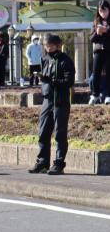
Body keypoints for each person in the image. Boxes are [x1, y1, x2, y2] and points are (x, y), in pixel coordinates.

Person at [28, 34, 75, 175]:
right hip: (47, 100)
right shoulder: (45, 59)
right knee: (43, 132)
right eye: (45, 45)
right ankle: (43, 162)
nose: (46, 47)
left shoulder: (65, 60)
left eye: (49, 45)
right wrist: (43, 79)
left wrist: (53, 81)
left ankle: (59, 163)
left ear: (57, 45)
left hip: (60, 101)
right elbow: (46, 79)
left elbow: (69, 81)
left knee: (60, 134)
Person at [89, 0, 110, 105]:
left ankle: (108, 95)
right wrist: (98, 33)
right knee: (96, 73)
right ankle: (95, 94)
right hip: (98, 51)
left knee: (108, 73)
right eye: (100, 11)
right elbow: (91, 39)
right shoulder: (96, 21)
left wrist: (107, 31)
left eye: (104, 10)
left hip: (108, 50)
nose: (103, 13)